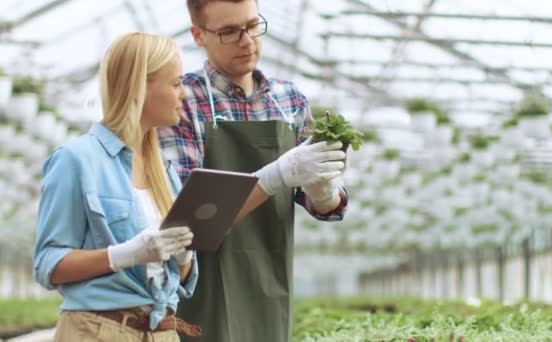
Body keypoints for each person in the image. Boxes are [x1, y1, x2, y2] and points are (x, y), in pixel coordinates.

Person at [157, 0, 349, 341]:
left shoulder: (290, 100)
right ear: (198, 35)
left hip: (269, 282)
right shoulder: (181, 100)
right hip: (203, 288)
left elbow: (323, 208)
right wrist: (277, 175)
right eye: (229, 32)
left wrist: (325, 192)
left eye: (252, 25)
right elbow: (189, 220)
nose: (247, 41)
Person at [33, 32, 203, 341]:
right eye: (176, 83)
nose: (185, 95)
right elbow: (47, 264)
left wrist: (184, 257)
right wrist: (125, 254)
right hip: (97, 331)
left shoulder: (165, 172)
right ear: (141, 86)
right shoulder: (75, 160)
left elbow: (181, 279)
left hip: (162, 330)